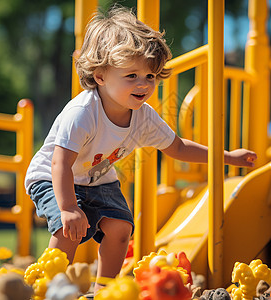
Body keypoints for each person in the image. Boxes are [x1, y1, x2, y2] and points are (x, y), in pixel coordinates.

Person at [24, 5, 257, 294]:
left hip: (97, 180)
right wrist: (69, 207)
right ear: (100, 76)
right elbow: (60, 163)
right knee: (68, 228)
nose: (144, 84)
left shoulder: (144, 116)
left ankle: (104, 290)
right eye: (131, 75)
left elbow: (179, 147)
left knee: (121, 229)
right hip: (52, 176)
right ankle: (46, 287)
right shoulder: (83, 113)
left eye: (150, 76)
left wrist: (227, 157)